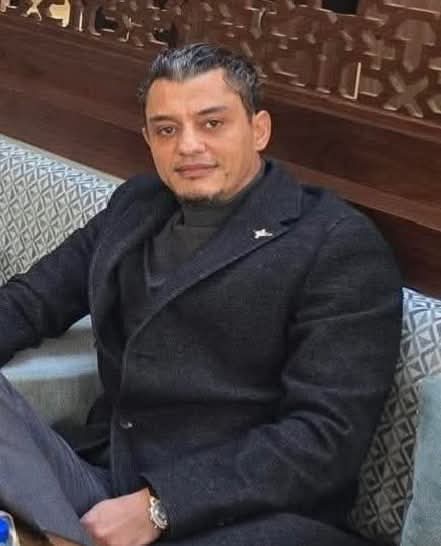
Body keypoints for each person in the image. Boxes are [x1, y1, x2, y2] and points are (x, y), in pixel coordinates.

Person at [0, 43, 402, 546]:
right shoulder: (137, 206)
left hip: (236, 516)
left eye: (212, 123)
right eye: (167, 130)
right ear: (149, 140)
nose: (188, 146)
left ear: (259, 129)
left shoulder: (334, 243)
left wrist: (161, 506)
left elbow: (325, 437)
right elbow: (32, 301)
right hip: (104, 477)